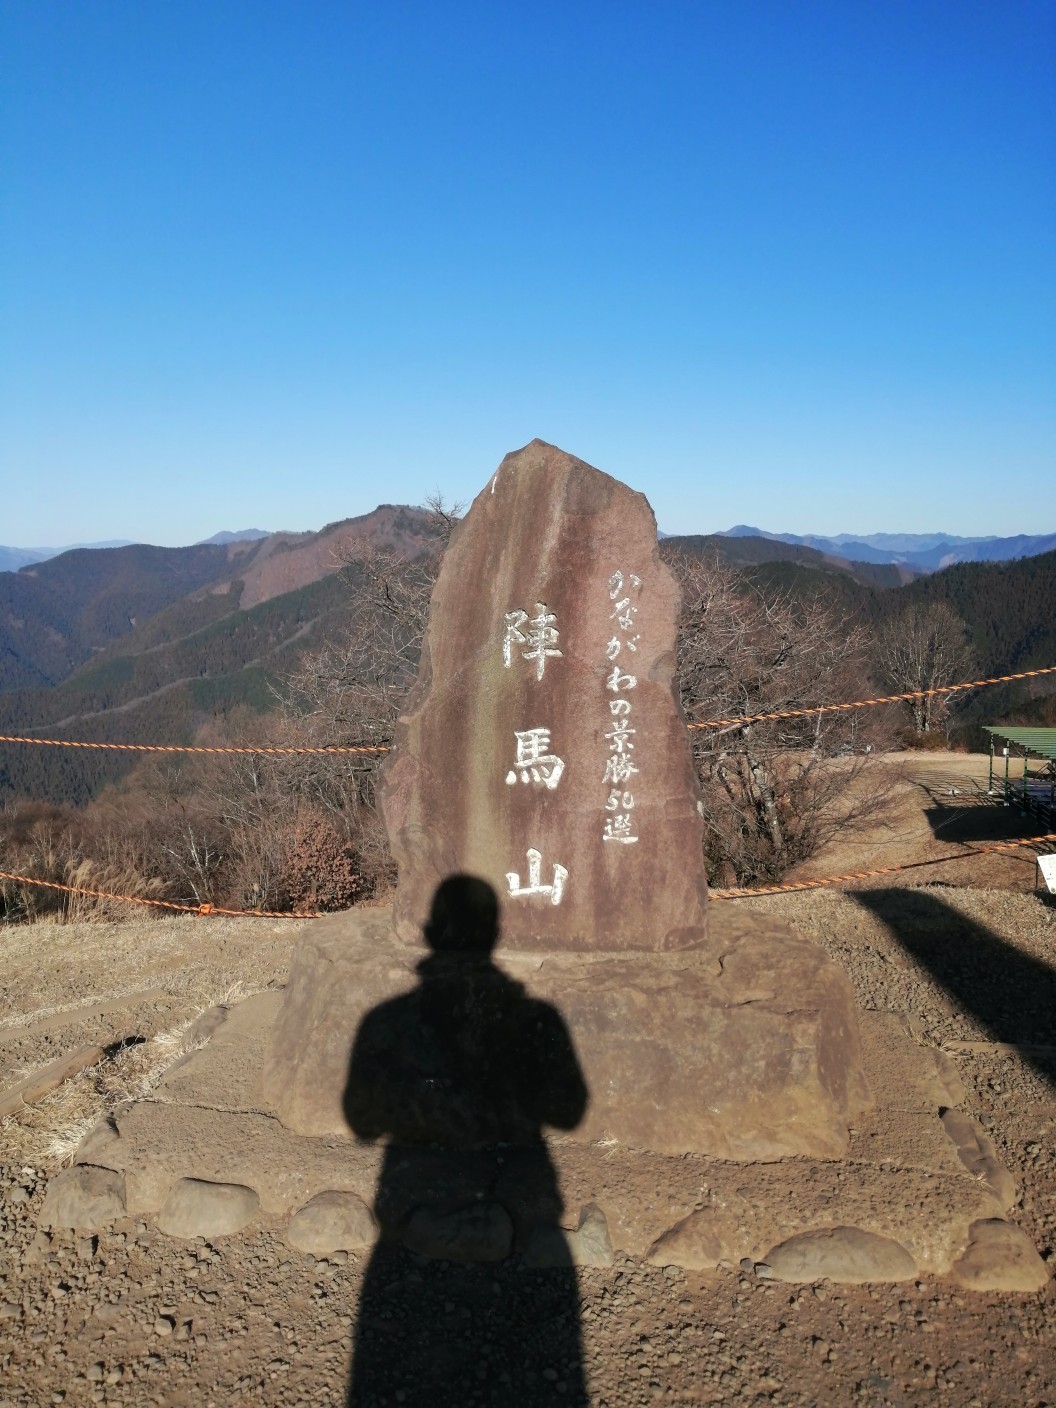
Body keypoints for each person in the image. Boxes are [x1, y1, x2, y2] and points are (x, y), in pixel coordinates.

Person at [343, 875, 589, 1406]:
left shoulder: (382, 1019)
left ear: (429, 929)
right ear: (497, 931)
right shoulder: (538, 1017)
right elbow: (570, 1112)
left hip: (406, 1203)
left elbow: (360, 1122)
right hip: (519, 1188)